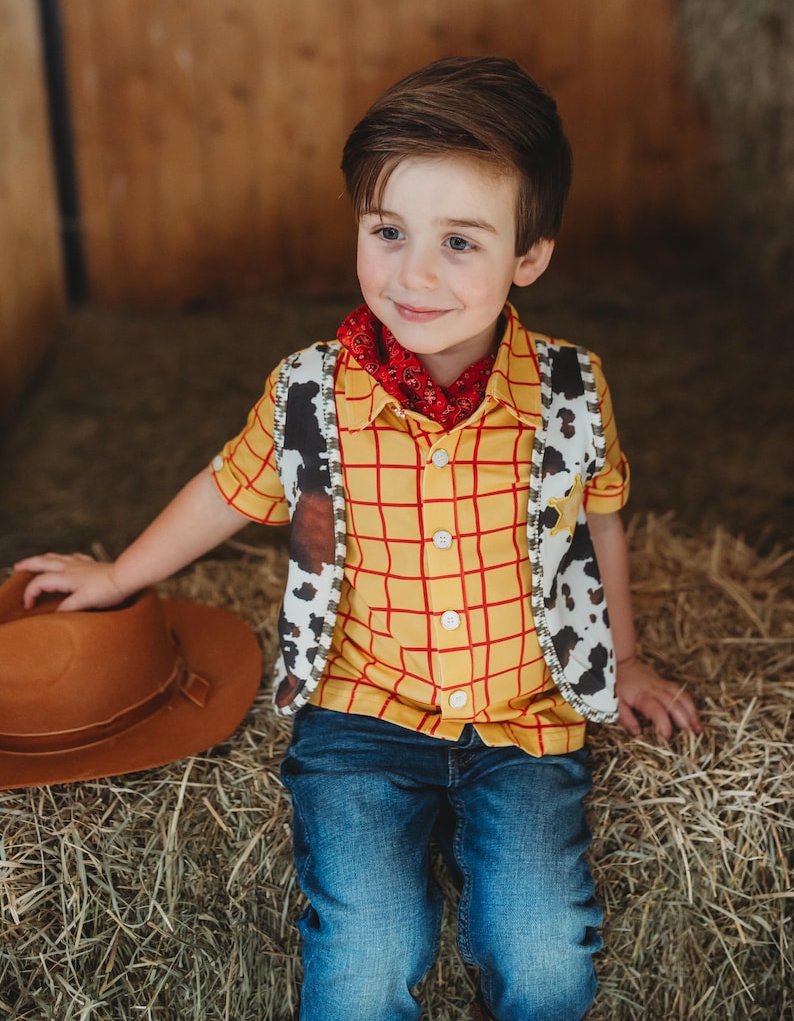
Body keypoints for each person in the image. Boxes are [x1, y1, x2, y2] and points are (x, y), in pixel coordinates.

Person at [17, 56, 702, 1021]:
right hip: (359, 716)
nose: (412, 274)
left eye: (460, 241)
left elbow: (599, 515)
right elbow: (229, 484)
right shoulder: (309, 389)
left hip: (524, 721)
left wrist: (623, 659)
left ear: (531, 255)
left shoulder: (572, 388)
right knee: (370, 949)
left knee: (546, 952)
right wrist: (122, 571)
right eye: (387, 231)